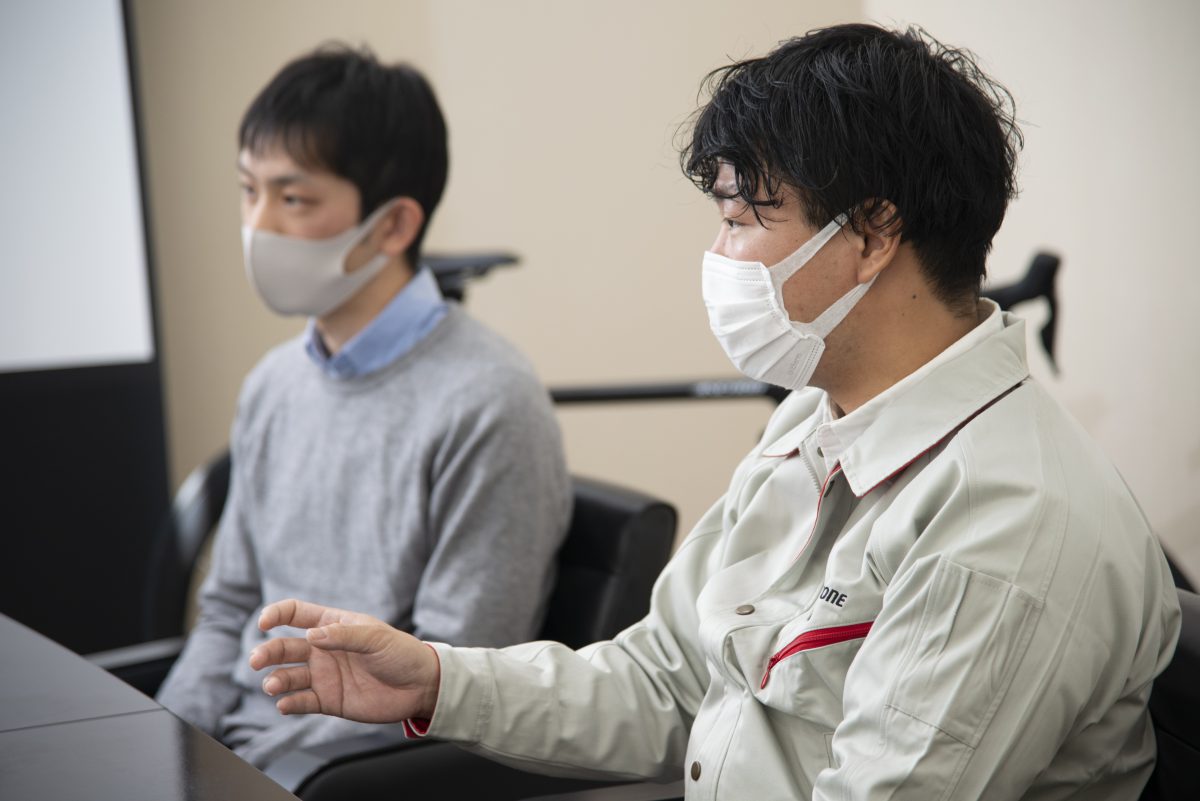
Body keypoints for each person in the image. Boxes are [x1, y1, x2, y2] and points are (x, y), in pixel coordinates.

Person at [249, 25, 1181, 799]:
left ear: (871, 233)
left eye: (741, 220)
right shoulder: (814, 419)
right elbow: (666, 680)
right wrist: (436, 677)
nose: (719, 256)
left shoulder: (1006, 519)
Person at [155, 45, 572, 769]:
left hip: (334, 774)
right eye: (249, 191)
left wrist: (254, 771)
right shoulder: (274, 384)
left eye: (293, 199)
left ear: (393, 226)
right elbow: (226, 611)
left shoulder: (489, 402)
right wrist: (165, 746)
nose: (258, 225)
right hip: (229, 756)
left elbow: (455, 681)